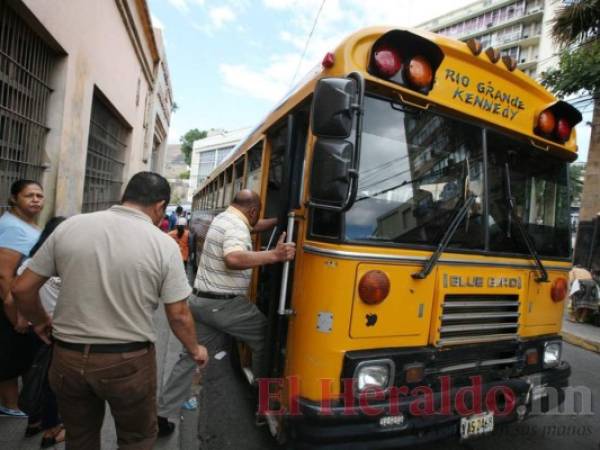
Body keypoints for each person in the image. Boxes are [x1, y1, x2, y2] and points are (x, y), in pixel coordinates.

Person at [12, 172, 208, 450]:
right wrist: (194, 349)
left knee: (79, 439)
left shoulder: (70, 227)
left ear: (124, 196)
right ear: (160, 206)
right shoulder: (164, 244)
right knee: (136, 439)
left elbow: (21, 289)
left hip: (67, 357)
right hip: (127, 362)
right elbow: (177, 314)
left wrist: (41, 321)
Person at [156, 189, 293, 436]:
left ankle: (162, 414)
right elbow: (233, 257)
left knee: (191, 356)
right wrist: (274, 255)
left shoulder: (226, 218)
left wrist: (277, 219)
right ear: (251, 210)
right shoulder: (238, 228)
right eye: (256, 214)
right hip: (225, 305)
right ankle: (264, 405)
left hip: (200, 301)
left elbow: (253, 225)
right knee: (266, 337)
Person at [17, 217, 66, 446]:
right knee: (52, 382)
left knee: (34, 375)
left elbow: (17, 294)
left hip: (33, 328)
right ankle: (52, 428)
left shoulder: (29, 264)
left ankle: (34, 421)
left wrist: (24, 319)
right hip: (54, 330)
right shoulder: (66, 265)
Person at [0, 179, 44, 417]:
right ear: (15, 198)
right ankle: (10, 405)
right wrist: (14, 313)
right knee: (9, 356)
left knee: (17, 355)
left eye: (39, 195)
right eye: (29, 195)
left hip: (21, 302)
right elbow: (4, 275)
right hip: (10, 304)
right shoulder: (13, 228)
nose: (36, 199)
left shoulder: (25, 224)